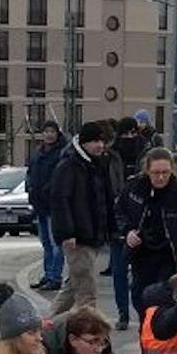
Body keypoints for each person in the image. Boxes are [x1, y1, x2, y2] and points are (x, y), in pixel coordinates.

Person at [119, 147, 177, 314]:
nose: (160, 177)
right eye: (155, 173)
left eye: (165, 172)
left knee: (163, 303)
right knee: (141, 299)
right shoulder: (134, 187)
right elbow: (119, 213)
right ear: (147, 170)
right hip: (142, 254)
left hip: (171, 257)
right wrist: (128, 231)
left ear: (172, 170)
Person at [49, 120, 117, 316]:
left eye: (102, 141)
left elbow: (106, 199)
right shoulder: (69, 165)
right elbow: (60, 200)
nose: (100, 145)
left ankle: (44, 328)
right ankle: (91, 335)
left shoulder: (98, 164)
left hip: (93, 236)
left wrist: (111, 228)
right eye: (95, 141)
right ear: (84, 143)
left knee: (72, 288)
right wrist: (67, 233)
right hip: (79, 238)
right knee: (86, 294)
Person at [102, 117, 148, 328]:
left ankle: (142, 312)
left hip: (143, 223)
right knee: (119, 271)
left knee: (140, 273)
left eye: (132, 133)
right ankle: (123, 313)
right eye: (125, 134)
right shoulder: (110, 156)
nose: (129, 137)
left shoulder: (147, 153)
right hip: (116, 221)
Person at [25, 119, 66, 291]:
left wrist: (48, 189)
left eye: (52, 131)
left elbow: (60, 177)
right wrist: (29, 186)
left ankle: (55, 277)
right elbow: (30, 172)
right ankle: (47, 275)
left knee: (56, 244)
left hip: (53, 205)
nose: (49, 135)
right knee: (46, 243)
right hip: (39, 204)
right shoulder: (38, 152)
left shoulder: (61, 153)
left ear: (57, 134)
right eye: (46, 131)